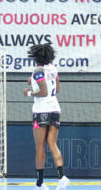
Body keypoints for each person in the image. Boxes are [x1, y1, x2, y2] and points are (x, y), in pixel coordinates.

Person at [24, 44, 69, 190]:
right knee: (52, 143)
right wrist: (34, 83)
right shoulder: (53, 69)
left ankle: (40, 183)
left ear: (36, 57)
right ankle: (62, 177)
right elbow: (57, 88)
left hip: (41, 111)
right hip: (55, 110)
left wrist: (29, 93)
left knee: (40, 146)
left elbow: (43, 92)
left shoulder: (38, 70)